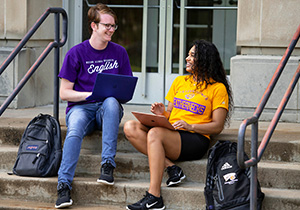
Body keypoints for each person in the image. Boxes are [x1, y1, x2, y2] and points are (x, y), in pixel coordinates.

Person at [123, 40, 233, 210]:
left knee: (155, 134)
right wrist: (162, 114)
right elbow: (173, 115)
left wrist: (191, 126)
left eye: (192, 55)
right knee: (130, 126)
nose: (187, 58)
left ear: (205, 60)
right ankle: (171, 167)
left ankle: (154, 197)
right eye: (188, 54)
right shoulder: (179, 82)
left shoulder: (217, 88)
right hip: (173, 132)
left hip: (195, 138)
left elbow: (217, 126)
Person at [55, 3, 133, 209]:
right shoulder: (76, 53)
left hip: (107, 111)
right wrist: (90, 94)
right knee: (74, 130)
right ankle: (63, 185)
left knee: (111, 102)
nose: (111, 30)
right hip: (81, 108)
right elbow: (64, 93)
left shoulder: (120, 53)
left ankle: (107, 165)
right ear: (94, 26)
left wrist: (115, 94)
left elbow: (125, 91)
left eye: (113, 26)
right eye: (107, 25)